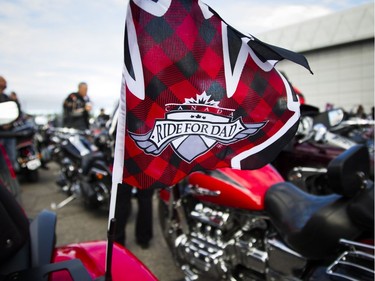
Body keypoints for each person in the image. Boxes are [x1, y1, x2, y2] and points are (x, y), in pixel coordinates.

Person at [114, 183, 154, 249]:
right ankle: (144, 238)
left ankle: (118, 241)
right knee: (145, 200)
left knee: (121, 202)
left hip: (124, 173)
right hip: (146, 174)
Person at [0, 76, 18, 171]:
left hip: (8, 133)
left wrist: (15, 101)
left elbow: (15, 112)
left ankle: (11, 177)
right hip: (4, 133)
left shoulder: (7, 98)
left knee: (11, 158)